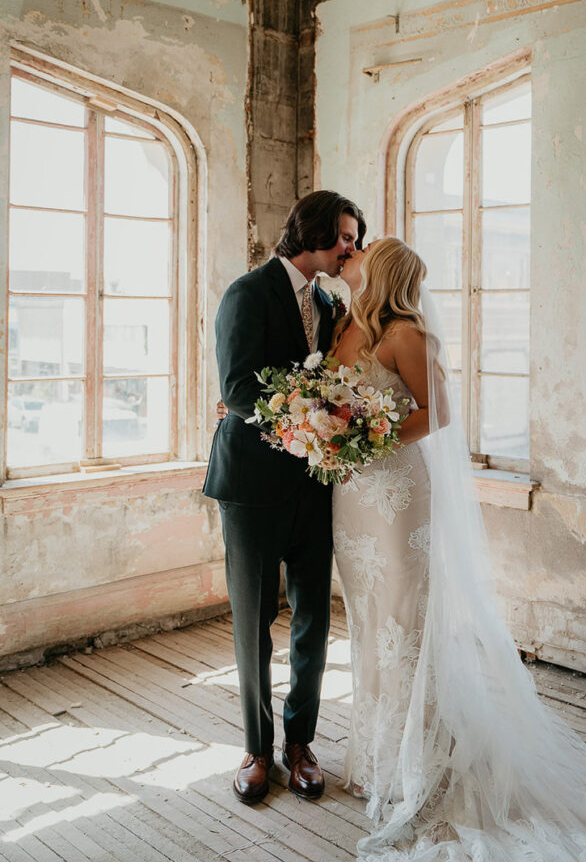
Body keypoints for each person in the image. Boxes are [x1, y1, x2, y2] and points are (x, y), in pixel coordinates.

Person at [330, 237, 586, 860]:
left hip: (395, 494)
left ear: (381, 270)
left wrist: (368, 438)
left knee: (405, 623)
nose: (351, 255)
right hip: (353, 498)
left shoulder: (406, 334)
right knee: (367, 623)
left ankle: (423, 765)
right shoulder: (348, 324)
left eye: (364, 250)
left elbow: (438, 411)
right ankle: (379, 756)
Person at [203, 190, 365, 806]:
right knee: (253, 621)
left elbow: (330, 379)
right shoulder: (246, 293)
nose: (352, 247)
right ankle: (256, 748)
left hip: (314, 485)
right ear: (315, 231)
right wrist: (307, 427)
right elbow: (238, 387)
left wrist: (325, 436)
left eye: (354, 238)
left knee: (314, 619)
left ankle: (301, 744)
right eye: (346, 236)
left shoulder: (328, 302)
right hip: (250, 485)